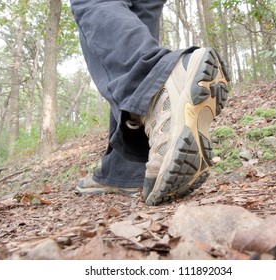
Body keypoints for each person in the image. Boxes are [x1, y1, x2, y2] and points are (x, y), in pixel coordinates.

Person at [70, 0, 229, 206]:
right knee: (141, 10)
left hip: (154, 75)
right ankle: (127, 169)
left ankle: (156, 83)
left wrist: (152, 77)